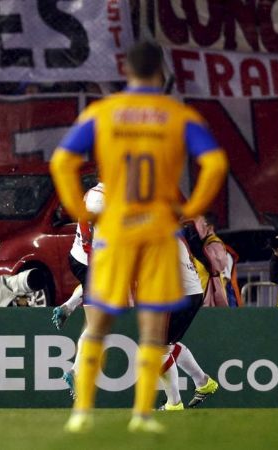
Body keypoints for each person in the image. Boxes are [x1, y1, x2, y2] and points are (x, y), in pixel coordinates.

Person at [49, 40, 228, 433]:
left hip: (113, 236)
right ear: (160, 73)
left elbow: (61, 161)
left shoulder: (104, 112)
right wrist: (190, 205)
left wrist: (78, 212)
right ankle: (143, 415)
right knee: (152, 327)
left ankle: (82, 413)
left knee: (97, 325)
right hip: (159, 233)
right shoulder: (175, 114)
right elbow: (215, 163)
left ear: (126, 71)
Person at [158, 235, 219, 410]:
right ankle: (203, 382)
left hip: (180, 296)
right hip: (190, 294)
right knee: (167, 345)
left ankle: (174, 404)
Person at [52, 182, 105, 327]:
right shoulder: (100, 198)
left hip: (89, 258)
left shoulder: (102, 193)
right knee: (94, 327)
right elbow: (89, 236)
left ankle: (68, 306)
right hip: (88, 259)